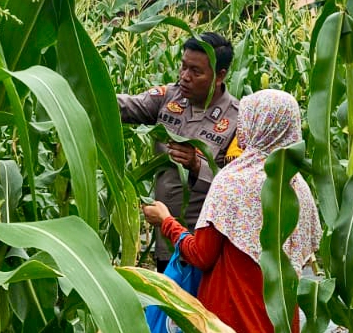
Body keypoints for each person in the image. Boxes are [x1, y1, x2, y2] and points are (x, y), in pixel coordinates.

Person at [142, 89, 322, 333]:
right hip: (280, 323)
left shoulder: (234, 182)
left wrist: (166, 222)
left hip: (231, 320)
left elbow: (201, 255)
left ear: (256, 124)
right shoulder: (298, 187)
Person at [118, 32, 240, 271]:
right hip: (165, 239)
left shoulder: (237, 120)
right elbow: (124, 106)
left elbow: (237, 186)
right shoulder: (169, 97)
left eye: (195, 71)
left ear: (220, 76)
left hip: (202, 245)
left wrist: (196, 165)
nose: (184, 76)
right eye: (183, 66)